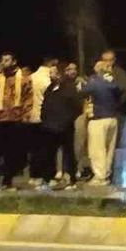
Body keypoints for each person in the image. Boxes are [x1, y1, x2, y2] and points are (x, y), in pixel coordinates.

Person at [0, 54, 32, 191]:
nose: (4, 62)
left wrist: (25, 117)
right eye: (2, 60)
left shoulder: (23, 77)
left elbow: (28, 98)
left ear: (14, 61)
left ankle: (7, 182)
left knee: (11, 153)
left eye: (7, 60)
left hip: (14, 120)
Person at [41, 62, 83, 191]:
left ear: (59, 74)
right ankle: (49, 179)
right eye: (50, 73)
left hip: (65, 127)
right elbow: (45, 105)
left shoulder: (69, 87)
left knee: (68, 154)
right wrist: (45, 119)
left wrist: (67, 121)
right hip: (49, 127)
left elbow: (77, 107)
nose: (50, 75)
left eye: (52, 73)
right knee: (49, 154)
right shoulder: (50, 88)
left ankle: (71, 180)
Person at [83, 61, 124, 186]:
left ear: (98, 70)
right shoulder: (113, 83)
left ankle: (99, 177)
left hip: (98, 119)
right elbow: (119, 92)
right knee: (109, 149)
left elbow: (83, 91)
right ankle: (106, 174)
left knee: (97, 150)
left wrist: (83, 83)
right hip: (112, 118)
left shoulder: (94, 82)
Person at [25, 57, 58, 189]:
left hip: (31, 117)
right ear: (51, 64)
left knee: (34, 149)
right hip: (45, 117)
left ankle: (34, 175)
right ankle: (47, 177)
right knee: (47, 149)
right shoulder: (48, 80)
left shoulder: (31, 77)